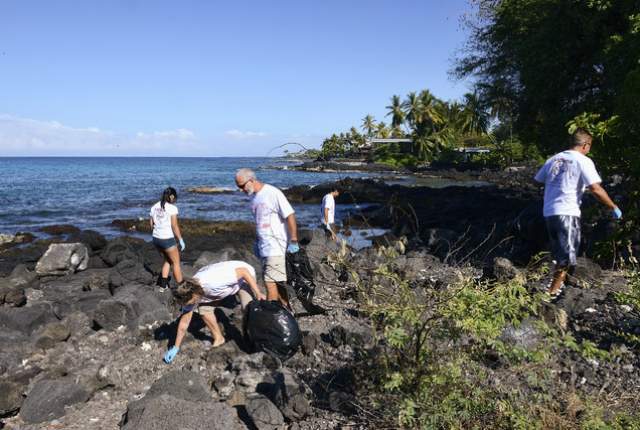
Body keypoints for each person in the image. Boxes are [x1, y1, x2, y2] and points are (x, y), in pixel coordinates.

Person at [534, 128, 622, 298]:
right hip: (567, 212)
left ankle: (560, 288)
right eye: (589, 147)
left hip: (549, 212)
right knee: (566, 256)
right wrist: (613, 207)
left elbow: (538, 181)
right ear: (585, 145)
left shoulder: (554, 159)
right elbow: (595, 188)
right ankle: (552, 293)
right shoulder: (583, 161)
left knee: (561, 251)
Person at [164, 260, 266, 363]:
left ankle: (259, 342)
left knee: (248, 311)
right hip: (223, 288)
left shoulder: (213, 282)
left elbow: (243, 271)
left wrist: (258, 292)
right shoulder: (188, 292)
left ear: (195, 295)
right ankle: (219, 338)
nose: (190, 305)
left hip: (244, 278)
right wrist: (175, 347)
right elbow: (184, 322)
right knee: (204, 310)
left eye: (191, 303)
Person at [234, 168, 299, 308]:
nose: (240, 190)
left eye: (241, 185)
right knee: (279, 285)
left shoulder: (272, 192)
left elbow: (290, 215)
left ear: (251, 180)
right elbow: (260, 223)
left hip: (276, 247)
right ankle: (287, 313)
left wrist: (293, 240)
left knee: (270, 284)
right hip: (264, 248)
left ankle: (271, 319)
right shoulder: (255, 198)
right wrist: (257, 242)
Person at [150, 187, 185, 288]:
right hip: (167, 240)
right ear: (172, 197)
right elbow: (174, 226)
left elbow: (151, 225)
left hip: (156, 239)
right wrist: (180, 240)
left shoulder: (154, 207)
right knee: (176, 263)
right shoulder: (172, 208)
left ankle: (163, 286)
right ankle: (182, 288)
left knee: (168, 260)